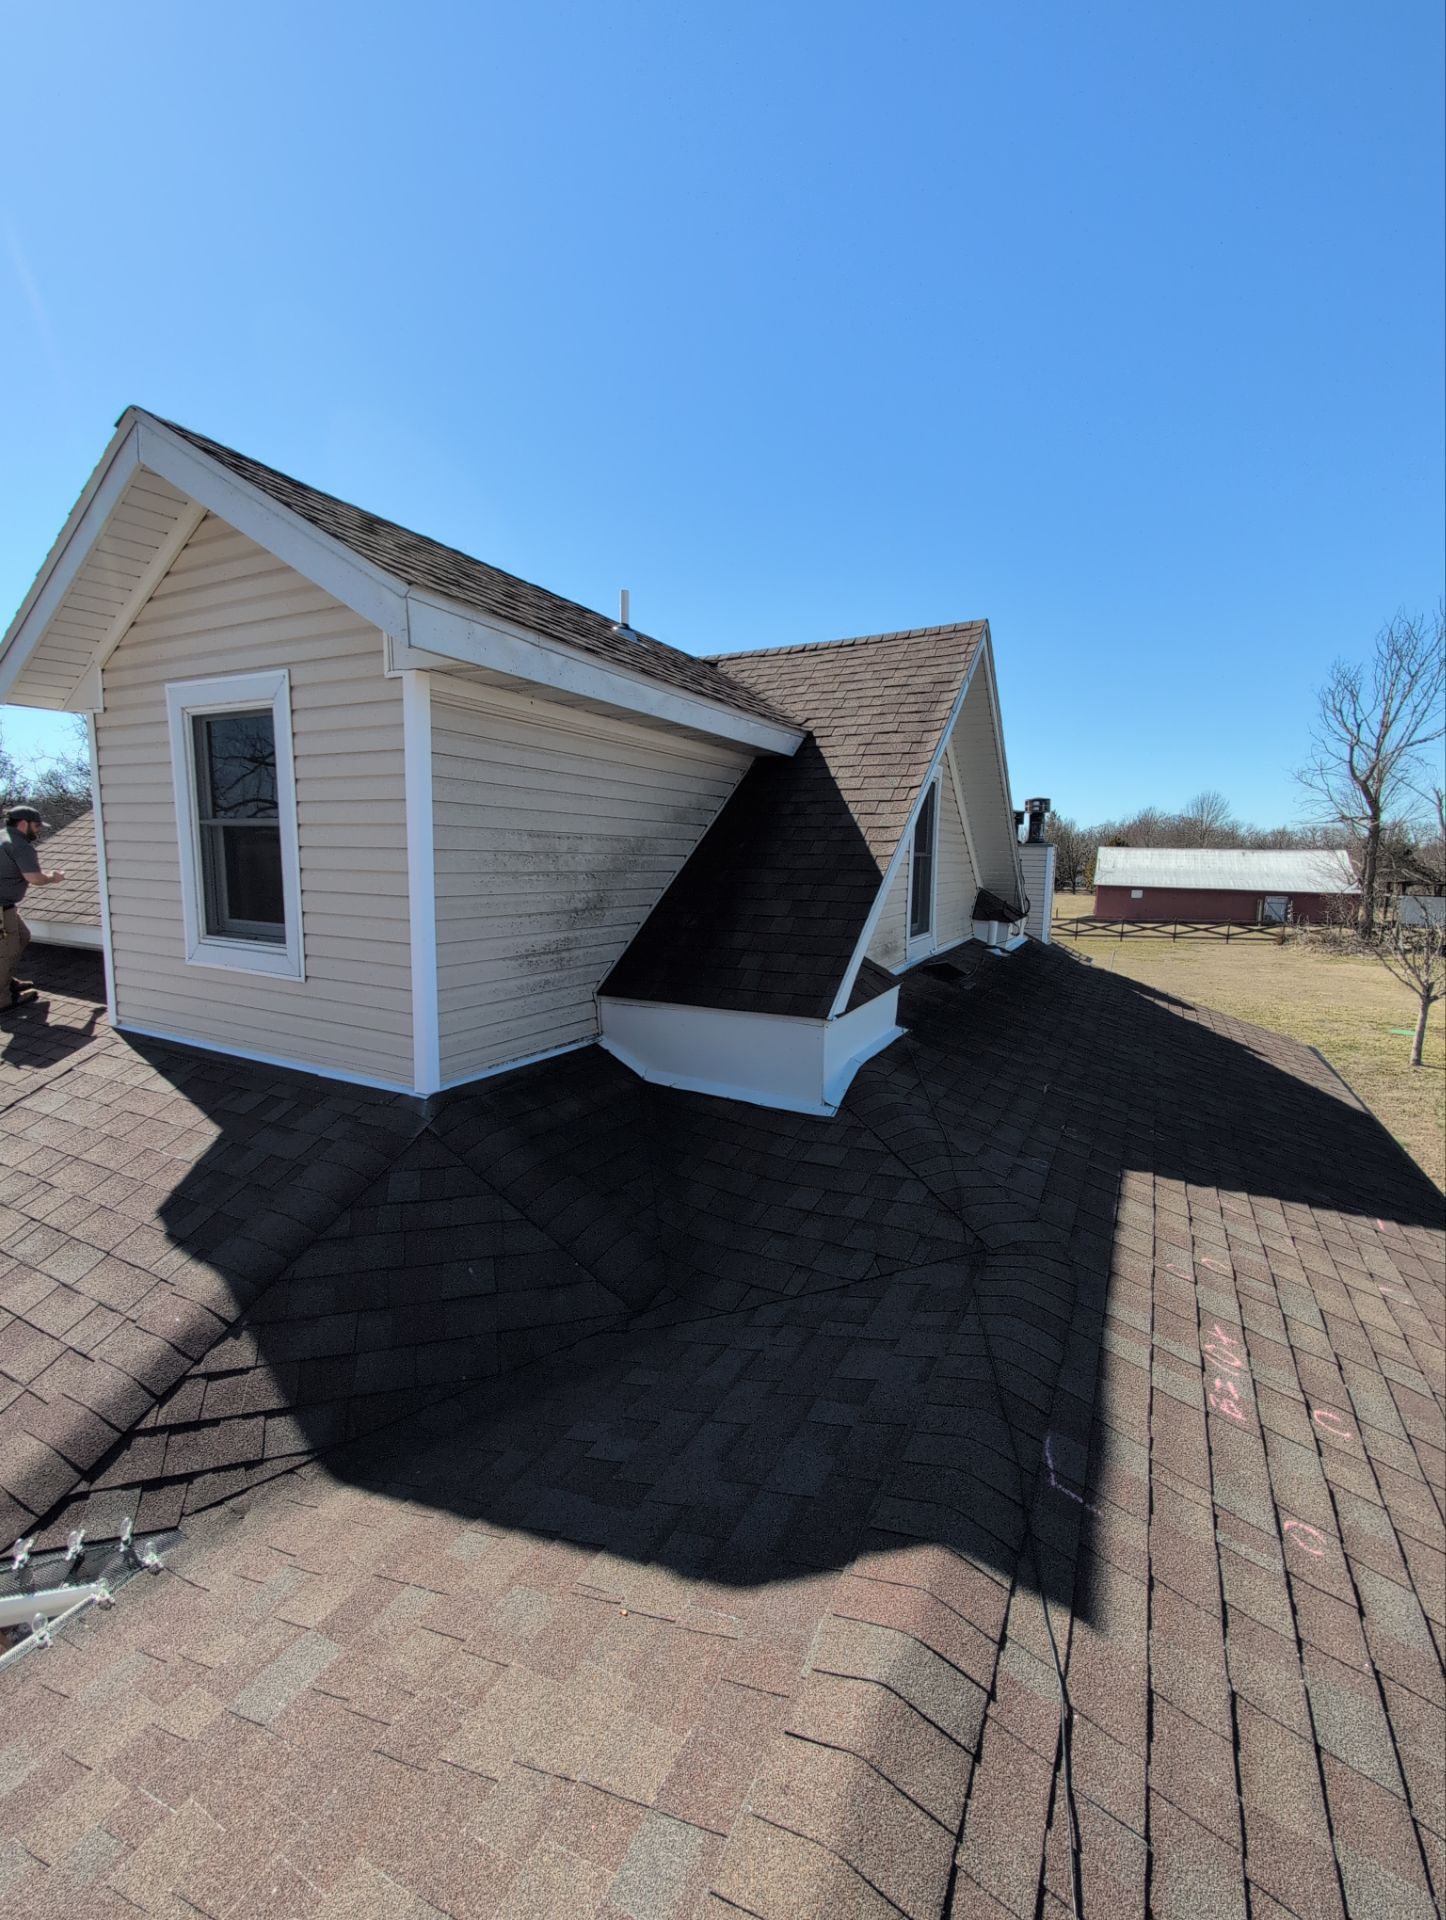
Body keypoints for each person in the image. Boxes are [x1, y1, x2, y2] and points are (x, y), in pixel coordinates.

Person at [0, 806, 67, 1011]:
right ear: (23, 823)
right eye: (36, 826)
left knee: (22, 936)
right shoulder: (19, 845)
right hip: (1, 909)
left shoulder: (3, 836)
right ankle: (2, 998)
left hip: (6, 906)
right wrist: (53, 877)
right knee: (6, 951)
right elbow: (34, 878)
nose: (38, 831)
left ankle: (6, 980)